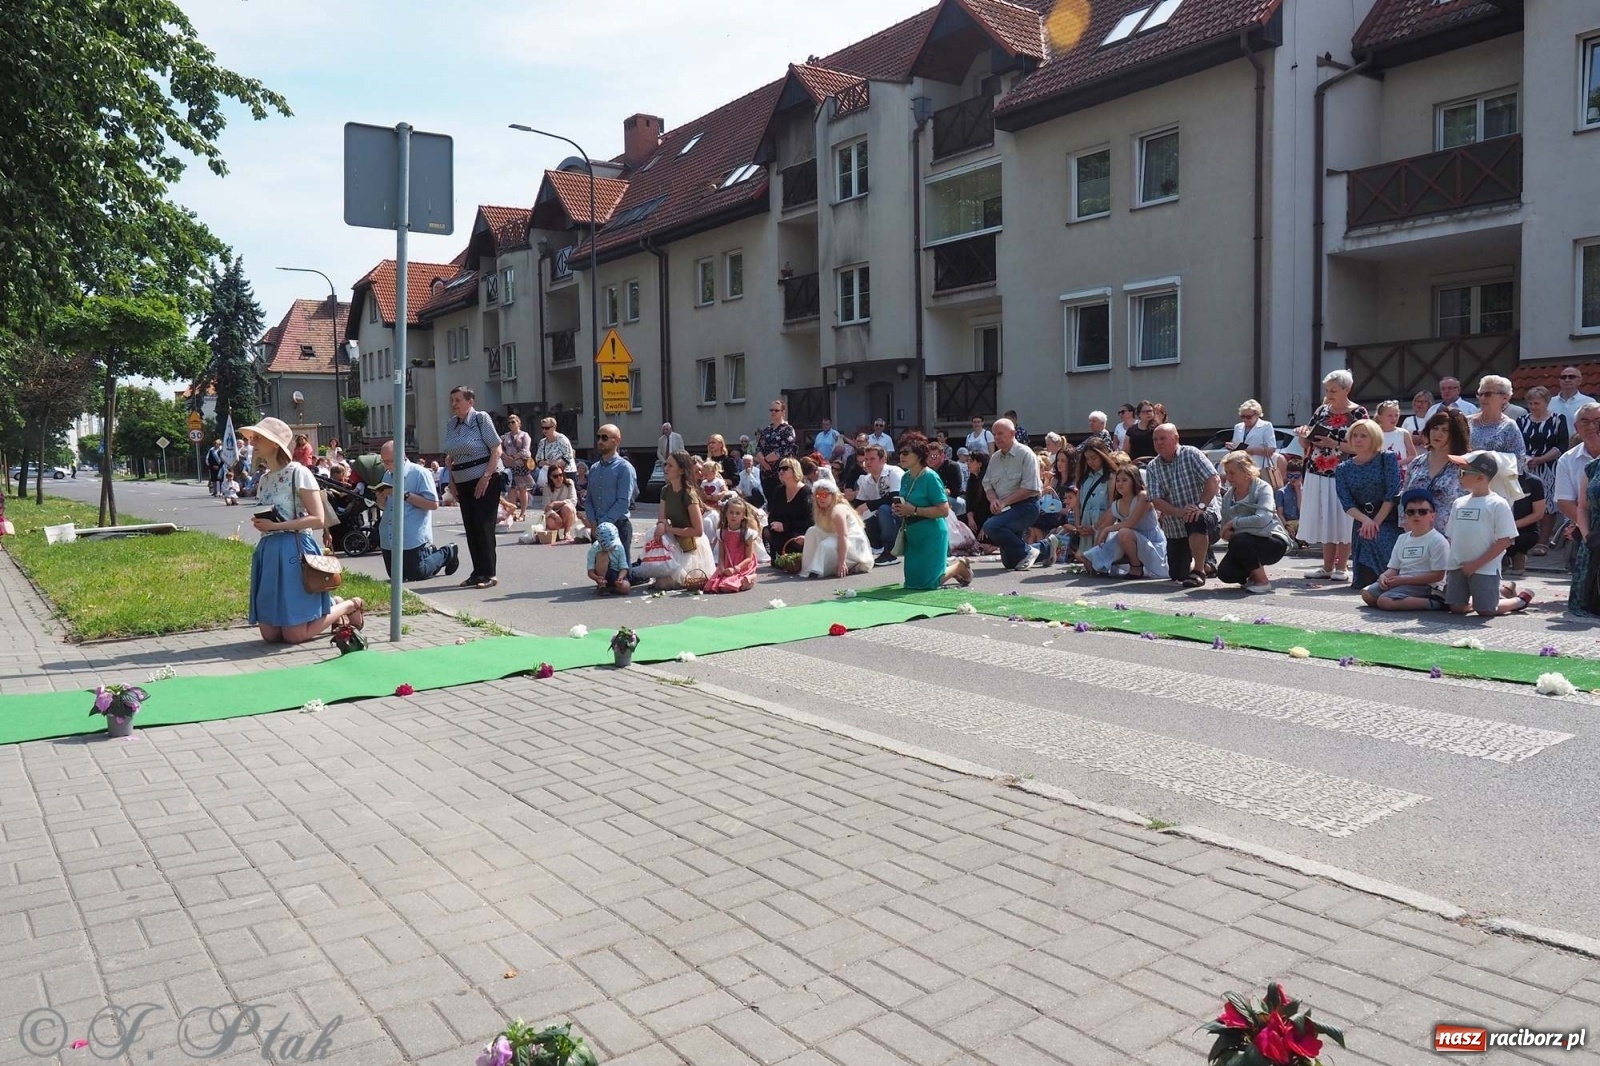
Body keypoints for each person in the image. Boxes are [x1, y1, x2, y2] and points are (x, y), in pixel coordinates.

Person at [240, 417, 364, 645]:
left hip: (294, 550)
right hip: (269, 551)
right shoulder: (264, 479)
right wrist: (262, 523)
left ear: (274, 443)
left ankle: (348, 605)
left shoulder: (298, 472)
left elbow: (317, 518)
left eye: (258, 438)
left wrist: (276, 526)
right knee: (270, 635)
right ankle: (332, 606)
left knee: (294, 635)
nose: (252, 442)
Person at [1296, 369, 1368, 581]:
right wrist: (1303, 435)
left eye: (1334, 390)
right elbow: (1306, 442)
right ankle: (1327, 567)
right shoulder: (1321, 411)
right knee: (1325, 518)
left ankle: (1342, 567)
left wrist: (1334, 443)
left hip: (1344, 472)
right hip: (1317, 470)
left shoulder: (1358, 413)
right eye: (1327, 390)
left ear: (1347, 389)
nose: (1329, 394)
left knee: (1343, 519)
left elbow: (1364, 445)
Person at [1444, 452, 1531, 617]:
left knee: (1486, 610)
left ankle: (1519, 601)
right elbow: (1451, 535)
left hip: (1484, 567)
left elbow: (1505, 540)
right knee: (1456, 608)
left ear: (1480, 477)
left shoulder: (1498, 504)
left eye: (1463, 472)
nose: (1458, 476)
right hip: (1458, 565)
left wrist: (1476, 564)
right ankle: (1497, 593)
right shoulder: (1458, 503)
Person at [442, 387, 504, 590]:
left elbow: (496, 449)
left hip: (484, 480)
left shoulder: (480, 419)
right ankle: (477, 573)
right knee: (471, 528)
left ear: (470, 402)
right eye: (452, 400)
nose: (454, 404)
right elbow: (450, 456)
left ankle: (489, 573)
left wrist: (486, 477)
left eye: (458, 400)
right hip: (462, 481)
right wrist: (451, 481)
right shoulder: (452, 424)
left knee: (484, 527)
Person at [1145, 424, 1221, 588]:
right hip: (1175, 526)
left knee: (1196, 518)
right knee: (1178, 574)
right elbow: (1156, 499)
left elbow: (1213, 479)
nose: (1158, 442)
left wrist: (1200, 506)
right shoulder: (1152, 467)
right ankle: (1207, 562)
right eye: (1155, 439)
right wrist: (1179, 512)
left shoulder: (1191, 454)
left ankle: (1199, 571)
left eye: (1162, 438)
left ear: (1176, 438)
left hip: (1204, 515)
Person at [891, 439, 972, 589]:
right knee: (912, 584)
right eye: (900, 453)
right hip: (913, 533)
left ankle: (958, 567)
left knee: (928, 584)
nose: (901, 456)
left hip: (932, 533)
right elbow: (906, 503)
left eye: (906, 453)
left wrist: (914, 510)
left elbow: (944, 510)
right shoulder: (905, 477)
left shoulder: (930, 477)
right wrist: (899, 508)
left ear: (919, 455)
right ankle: (945, 568)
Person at [375, 440, 458, 581]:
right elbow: (383, 506)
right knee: (396, 576)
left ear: (402, 456)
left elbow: (433, 504)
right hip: (389, 534)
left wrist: (404, 494)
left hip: (411, 534)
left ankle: (448, 551)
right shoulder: (387, 475)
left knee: (416, 573)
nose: (387, 465)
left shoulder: (419, 473)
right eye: (384, 462)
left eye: (390, 461)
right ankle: (429, 554)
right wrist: (380, 498)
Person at [1334, 419, 1401, 589]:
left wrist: (1375, 523)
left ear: (1374, 438)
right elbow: (1346, 502)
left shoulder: (1387, 458)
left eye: (1363, 436)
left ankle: (1391, 581)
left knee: (1380, 538)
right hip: (1362, 520)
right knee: (1366, 538)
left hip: (1388, 517)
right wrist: (1366, 521)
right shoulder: (1343, 468)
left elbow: (1392, 493)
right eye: (1355, 435)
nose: (1358, 439)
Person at [635, 450, 715, 589]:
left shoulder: (689, 494)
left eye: (670, 465)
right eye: (665, 464)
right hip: (673, 543)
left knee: (663, 583)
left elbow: (698, 531)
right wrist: (661, 525)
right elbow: (662, 518)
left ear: (681, 470)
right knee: (658, 580)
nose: (666, 468)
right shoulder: (665, 490)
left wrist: (669, 529)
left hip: (690, 547)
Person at [1361, 488, 1450, 612]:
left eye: (1422, 512)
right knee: (1367, 594)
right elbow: (1394, 568)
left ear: (1432, 516)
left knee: (1384, 601)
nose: (1416, 515)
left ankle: (1436, 603)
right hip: (1402, 581)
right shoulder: (1402, 538)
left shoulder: (1437, 540)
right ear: (1405, 516)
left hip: (1427, 586)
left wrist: (1403, 580)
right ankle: (1399, 598)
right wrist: (1383, 577)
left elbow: (1438, 576)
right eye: (1411, 512)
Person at [1216, 452, 1292, 594]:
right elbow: (1224, 528)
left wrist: (1235, 523)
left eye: (1232, 473)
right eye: (1227, 473)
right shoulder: (1228, 496)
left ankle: (1262, 581)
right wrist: (1225, 533)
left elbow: (1263, 519)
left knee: (1240, 539)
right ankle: (1252, 574)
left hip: (1272, 540)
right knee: (1225, 574)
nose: (1228, 477)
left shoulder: (1262, 488)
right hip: (1244, 541)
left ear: (1246, 471)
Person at [1080, 463, 1168, 578]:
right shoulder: (1116, 504)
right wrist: (1095, 552)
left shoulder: (1143, 496)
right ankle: (1103, 564)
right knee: (1096, 553)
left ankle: (1136, 567)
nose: (1120, 484)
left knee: (1124, 533)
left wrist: (1107, 530)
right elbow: (1103, 527)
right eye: (1118, 480)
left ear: (1134, 481)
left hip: (1151, 542)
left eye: (1124, 480)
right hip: (1131, 541)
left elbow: (1131, 523)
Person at [980, 419, 1043, 570]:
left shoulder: (1026, 454)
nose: (997, 437)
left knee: (991, 526)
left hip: (1026, 507)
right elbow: (987, 485)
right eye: (994, 434)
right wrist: (993, 500)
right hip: (1006, 509)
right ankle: (1046, 548)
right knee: (1011, 562)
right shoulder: (995, 458)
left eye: (1000, 433)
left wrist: (1003, 502)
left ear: (1012, 433)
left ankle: (1028, 551)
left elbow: (1030, 488)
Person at [1403, 409, 1470, 536]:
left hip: (1453, 538)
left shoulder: (1465, 465)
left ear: (1456, 435)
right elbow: (1404, 499)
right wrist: (1409, 531)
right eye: (1435, 428)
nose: (1437, 434)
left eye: (1445, 430)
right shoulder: (1416, 463)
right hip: (1417, 537)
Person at [1518, 386, 1568, 554]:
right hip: (1525, 467)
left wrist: (1542, 459)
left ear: (1546, 402)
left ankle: (1543, 541)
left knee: (1547, 505)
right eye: (1530, 403)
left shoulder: (1557, 419)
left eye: (1537, 403)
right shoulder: (1521, 420)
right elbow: (1517, 444)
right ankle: (1523, 540)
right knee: (1524, 502)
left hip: (1548, 467)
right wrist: (1527, 459)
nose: (1533, 406)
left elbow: (1562, 445)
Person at [584, 424, 638, 559]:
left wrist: (603, 523)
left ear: (617, 441)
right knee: (599, 569)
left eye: (604, 438)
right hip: (596, 527)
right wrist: (593, 522)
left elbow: (623, 501)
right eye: (598, 437)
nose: (600, 441)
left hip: (618, 526)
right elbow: (588, 499)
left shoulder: (624, 468)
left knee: (620, 570)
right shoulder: (594, 468)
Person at [800, 480, 875, 579]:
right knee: (811, 531)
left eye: (824, 495)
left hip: (853, 542)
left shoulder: (838, 510)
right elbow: (824, 530)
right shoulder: (823, 510)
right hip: (837, 536)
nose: (821, 498)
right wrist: (805, 538)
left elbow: (843, 536)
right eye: (818, 495)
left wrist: (841, 562)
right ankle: (809, 567)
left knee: (825, 546)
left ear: (833, 495)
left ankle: (844, 564)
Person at [1467, 375, 1526, 471]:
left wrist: (1488, 458)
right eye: (1480, 394)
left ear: (1504, 398)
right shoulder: (1466, 422)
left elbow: (1519, 461)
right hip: (1466, 477)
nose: (1482, 398)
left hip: (1494, 478)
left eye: (1488, 394)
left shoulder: (1509, 427)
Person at [705, 496, 761, 593]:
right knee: (714, 586)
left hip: (742, 565)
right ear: (726, 514)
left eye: (737, 513)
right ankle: (741, 581)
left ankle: (749, 579)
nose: (734, 516)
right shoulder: (722, 532)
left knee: (726, 588)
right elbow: (721, 555)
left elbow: (749, 558)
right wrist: (722, 568)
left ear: (743, 516)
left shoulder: (748, 534)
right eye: (731, 512)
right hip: (728, 564)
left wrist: (735, 569)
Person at [764, 457, 814, 561]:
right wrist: (774, 524)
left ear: (795, 469)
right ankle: (780, 558)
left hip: (799, 532)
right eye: (779, 469)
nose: (781, 471)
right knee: (767, 530)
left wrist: (785, 527)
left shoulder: (805, 492)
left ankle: (796, 558)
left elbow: (809, 521)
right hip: (781, 532)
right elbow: (772, 514)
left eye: (785, 468)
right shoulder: (779, 491)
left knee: (797, 538)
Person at [1505, 467, 1545, 577]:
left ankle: (1518, 555)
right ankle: (1502, 557)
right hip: (1495, 527)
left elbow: (1538, 514)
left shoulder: (1533, 482)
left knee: (1522, 538)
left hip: (1523, 529)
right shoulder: (1490, 480)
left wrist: (1511, 526)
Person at [757, 400, 798, 503]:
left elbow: (786, 448)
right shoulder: (767, 430)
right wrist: (762, 460)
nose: (773, 412)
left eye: (776, 410)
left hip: (781, 472)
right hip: (766, 473)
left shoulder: (788, 429)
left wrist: (766, 460)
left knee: (782, 501)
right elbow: (759, 447)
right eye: (771, 410)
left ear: (783, 412)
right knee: (770, 501)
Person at [501, 414, 534, 520]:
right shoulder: (505, 436)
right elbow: (500, 449)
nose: (511, 424)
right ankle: (512, 512)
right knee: (511, 490)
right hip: (509, 466)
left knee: (522, 489)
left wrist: (514, 457)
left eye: (513, 422)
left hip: (521, 465)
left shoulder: (524, 435)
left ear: (519, 423)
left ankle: (522, 513)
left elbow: (526, 450)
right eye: (509, 422)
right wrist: (506, 457)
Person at [586, 522, 632, 595]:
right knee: (602, 555)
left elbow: (623, 567)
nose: (611, 547)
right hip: (602, 574)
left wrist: (620, 577)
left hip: (616, 573)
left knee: (626, 588)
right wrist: (597, 578)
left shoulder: (619, 547)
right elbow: (590, 572)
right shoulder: (594, 548)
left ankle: (614, 587)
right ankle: (602, 586)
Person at [1228, 400, 1277, 466]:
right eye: (1243, 416)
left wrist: (1250, 451)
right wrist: (1231, 447)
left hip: (1258, 465)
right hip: (1240, 465)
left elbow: (1271, 449)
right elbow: (1235, 447)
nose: (1245, 419)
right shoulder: (1238, 427)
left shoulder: (1266, 426)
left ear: (1257, 415)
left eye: (1248, 417)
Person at [542, 462, 579, 541]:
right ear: (550, 477)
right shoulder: (547, 487)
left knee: (567, 507)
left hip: (568, 513)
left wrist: (556, 503)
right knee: (551, 522)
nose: (559, 478)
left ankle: (567, 532)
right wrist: (555, 515)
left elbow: (573, 500)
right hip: (554, 514)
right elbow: (546, 506)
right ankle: (555, 533)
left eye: (561, 475)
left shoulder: (569, 483)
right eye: (555, 476)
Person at [962, 451, 993, 543]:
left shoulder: (989, 480)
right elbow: (969, 502)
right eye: (967, 461)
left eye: (971, 461)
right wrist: (970, 518)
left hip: (989, 518)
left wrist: (986, 526)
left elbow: (992, 507)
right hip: (975, 517)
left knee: (984, 542)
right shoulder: (972, 480)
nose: (968, 463)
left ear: (979, 464)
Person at [1375, 400, 1415, 465]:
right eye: (1390, 416)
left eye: (1396, 415)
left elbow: (1413, 455)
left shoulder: (1403, 433)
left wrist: (1397, 463)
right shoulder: (1374, 434)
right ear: (1380, 417)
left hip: (1400, 470)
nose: (1394, 418)